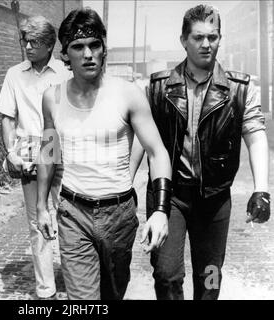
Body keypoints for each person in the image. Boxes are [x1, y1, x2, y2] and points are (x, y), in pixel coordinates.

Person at [132, 4, 271, 300]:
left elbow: (256, 135)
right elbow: (141, 141)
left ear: (220, 38)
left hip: (215, 199)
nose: (206, 44)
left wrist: (262, 190)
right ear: (183, 40)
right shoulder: (158, 88)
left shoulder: (241, 89)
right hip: (170, 196)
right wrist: (125, 184)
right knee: (167, 275)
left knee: (209, 278)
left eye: (213, 36)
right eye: (198, 37)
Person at [36, 7, 173, 300]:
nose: (88, 54)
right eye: (78, 47)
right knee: (83, 301)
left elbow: (158, 153)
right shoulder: (52, 97)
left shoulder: (129, 93)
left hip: (119, 213)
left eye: (94, 45)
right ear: (65, 55)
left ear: (103, 49)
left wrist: (160, 210)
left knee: (112, 295)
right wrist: (41, 206)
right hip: (73, 213)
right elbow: (48, 152)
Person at [0, 15, 71, 300]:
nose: (27, 46)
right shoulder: (14, 74)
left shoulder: (65, 72)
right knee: (37, 223)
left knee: (70, 218)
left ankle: (76, 281)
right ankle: (45, 288)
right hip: (29, 153)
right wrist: (11, 153)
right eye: (24, 41)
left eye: (34, 42)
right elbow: (7, 117)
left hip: (61, 152)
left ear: (50, 45)